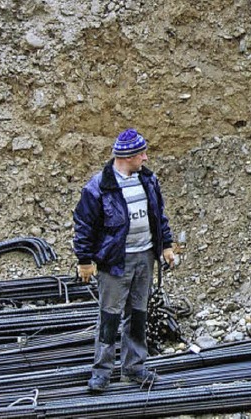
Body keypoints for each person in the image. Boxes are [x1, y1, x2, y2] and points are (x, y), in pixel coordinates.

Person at [73, 128, 175, 392]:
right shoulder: (99, 187)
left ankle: (134, 366)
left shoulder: (148, 181)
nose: (146, 158)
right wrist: (85, 260)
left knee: (138, 314)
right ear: (127, 156)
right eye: (141, 153)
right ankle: (102, 372)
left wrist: (166, 245)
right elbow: (84, 225)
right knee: (109, 318)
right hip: (115, 261)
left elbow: (158, 215)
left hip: (145, 257)